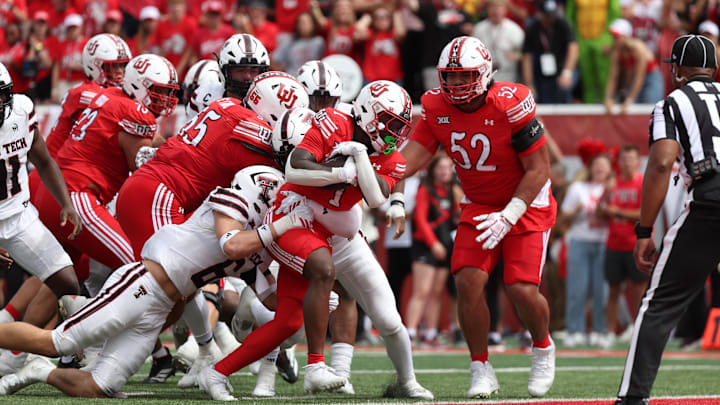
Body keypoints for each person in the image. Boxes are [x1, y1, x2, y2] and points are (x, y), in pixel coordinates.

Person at [0, 166, 312, 398]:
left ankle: (40, 371)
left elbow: (272, 300)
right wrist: (281, 226)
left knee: (102, 386)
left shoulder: (255, 246)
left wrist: (311, 290)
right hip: (141, 283)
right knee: (60, 343)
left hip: (159, 309)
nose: (277, 210)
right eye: (273, 203)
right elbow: (232, 244)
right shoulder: (227, 202)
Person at [199, 80, 413, 400]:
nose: (396, 134)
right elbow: (295, 168)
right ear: (369, 113)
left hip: (331, 231)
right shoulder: (333, 123)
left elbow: (376, 194)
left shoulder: (387, 153)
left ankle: (215, 373)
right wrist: (340, 173)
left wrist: (360, 159)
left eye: (400, 126)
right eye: (391, 124)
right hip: (295, 218)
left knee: (287, 323)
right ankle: (314, 366)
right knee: (322, 271)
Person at [397, 36, 556, 398]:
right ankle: (480, 367)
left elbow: (539, 169)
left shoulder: (510, 103)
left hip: (526, 203)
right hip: (480, 204)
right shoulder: (436, 105)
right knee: (467, 281)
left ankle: (543, 347)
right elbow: (413, 157)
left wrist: (510, 215)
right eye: (449, 77)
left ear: (484, 74)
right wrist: (373, 170)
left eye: (463, 76)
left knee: (520, 288)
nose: (454, 85)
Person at [615, 34, 720, 405]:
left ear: (676, 69)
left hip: (710, 202)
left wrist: (644, 230)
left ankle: (632, 398)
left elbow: (661, 163)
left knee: (657, 304)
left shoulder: (672, 103)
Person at [0, 62, 83, 374]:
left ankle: (72, 354)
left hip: (18, 214)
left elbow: (43, 159)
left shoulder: (21, 111)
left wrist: (66, 203)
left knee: (68, 283)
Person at [405, 153, 460, 346]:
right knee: (422, 290)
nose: (445, 171)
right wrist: (433, 243)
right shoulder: (425, 189)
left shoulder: (452, 191)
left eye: (448, 168)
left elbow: (457, 216)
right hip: (425, 245)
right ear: (433, 170)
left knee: (437, 293)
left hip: (445, 246)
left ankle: (430, 333)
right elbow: (420, 219)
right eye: (441, 168)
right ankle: (410, 333)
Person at [559, 153, 612, 348]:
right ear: (590, 168)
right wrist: (576, 211)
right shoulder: (577, 188)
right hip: (580, 241)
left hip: (604, 243)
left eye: (603, 165)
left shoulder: (612, 188)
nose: (600, 168)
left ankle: (600, 331)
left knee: (602, 290)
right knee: (577, 289)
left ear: (609, 169)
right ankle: (575, 330)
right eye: (596, 164)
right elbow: (563, 217)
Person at [597, 144, 646, 347]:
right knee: (614, 290)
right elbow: (599, 212)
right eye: (623, 159)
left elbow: (645, 213)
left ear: (638, 162)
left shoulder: (643, 182)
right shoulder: (612, 184)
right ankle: (610, 331)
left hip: (635, 244)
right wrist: (605, 196)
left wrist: (617, 212)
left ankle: (638, 329)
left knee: (639, 290)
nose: (626, 163)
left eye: (630, 158)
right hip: (613, 243)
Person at [521, 0, 578, 103]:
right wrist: (529, 84)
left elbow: (573, 47)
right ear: (540, 14)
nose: (551, 18)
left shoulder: (562, 23)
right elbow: (527, 57)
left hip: (562, 66)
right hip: (542, 70)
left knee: (564, 88)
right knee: (541, 96)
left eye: (552, 14)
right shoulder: (532, 28)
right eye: (547, 15)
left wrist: (567, 72)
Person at [604, 18, 664, 114]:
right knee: (628, 108)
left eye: (616, 37)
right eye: (613, 37)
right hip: (634, 80)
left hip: (650, 79)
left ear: (625, 36)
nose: (614, 40)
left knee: (649, 108)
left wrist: (629, 100)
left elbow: (640, 76)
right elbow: (613, 77)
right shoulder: (617, 51)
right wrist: (608, 98)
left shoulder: (638, 48)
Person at [473, 0, 525, 83]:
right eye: (492, 7)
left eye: (499, 7)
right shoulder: (479, 29)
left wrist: (517, 55)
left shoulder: (514, 30)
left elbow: (525, 54)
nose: (495, 10)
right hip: (484, 77)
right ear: (487, 9)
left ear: (505, 9)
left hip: (507, 77)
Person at [355, 6, 406, 84]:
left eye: (385, 17)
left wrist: (395, 14)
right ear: (373, 20)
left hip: (394, 79)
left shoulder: (393, 34)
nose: (381, 20)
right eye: (377, 17)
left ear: (391, 19)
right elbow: (357, 32)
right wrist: (367, 17)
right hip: (370, 79)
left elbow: (401, 33)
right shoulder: (370, 34)